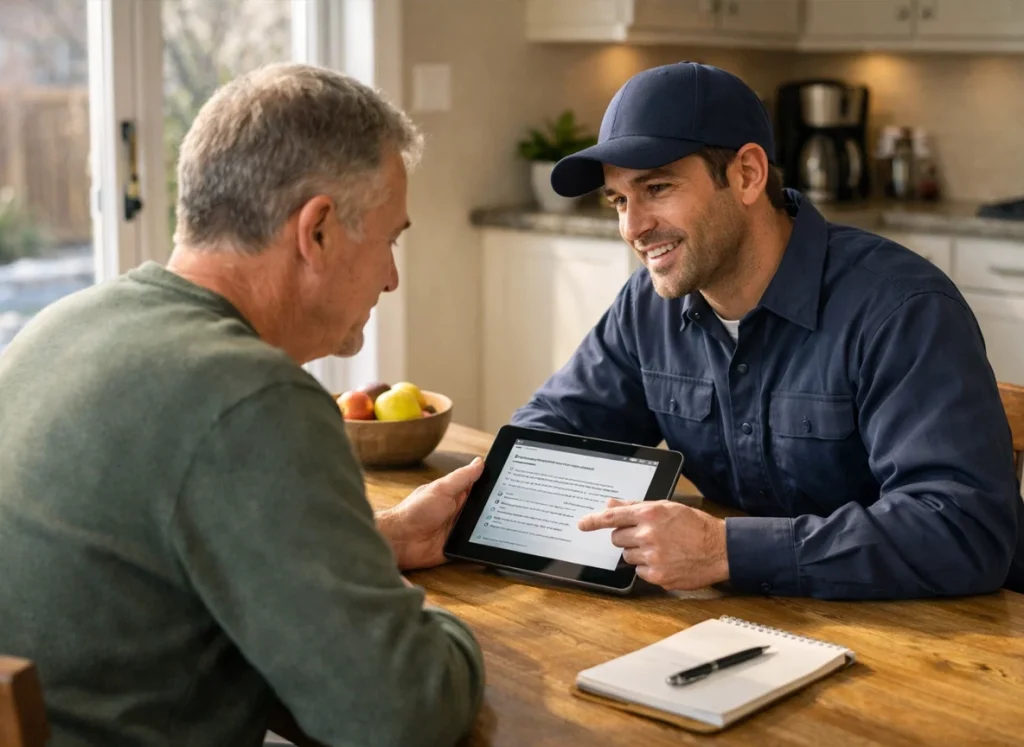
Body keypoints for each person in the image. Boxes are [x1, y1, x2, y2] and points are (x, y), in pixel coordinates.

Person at [0, 63, 485, 746]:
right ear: (317, 231)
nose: (391, 277)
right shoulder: (253, 397)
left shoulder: (58, 327)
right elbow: (402, 715)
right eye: (390, 240)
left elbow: (159, 560)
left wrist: (377, 543)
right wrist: (444, 627)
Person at [511, 61, 1024, 600]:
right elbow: (552, 433)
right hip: (753, 618)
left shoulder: (900, 309)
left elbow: (963, 528)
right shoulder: (648, 307)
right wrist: (480, 490)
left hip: (949, 632)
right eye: (619, 200)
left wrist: (723, 550)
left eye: (657, 188)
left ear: (748, 175)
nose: (632, 227)